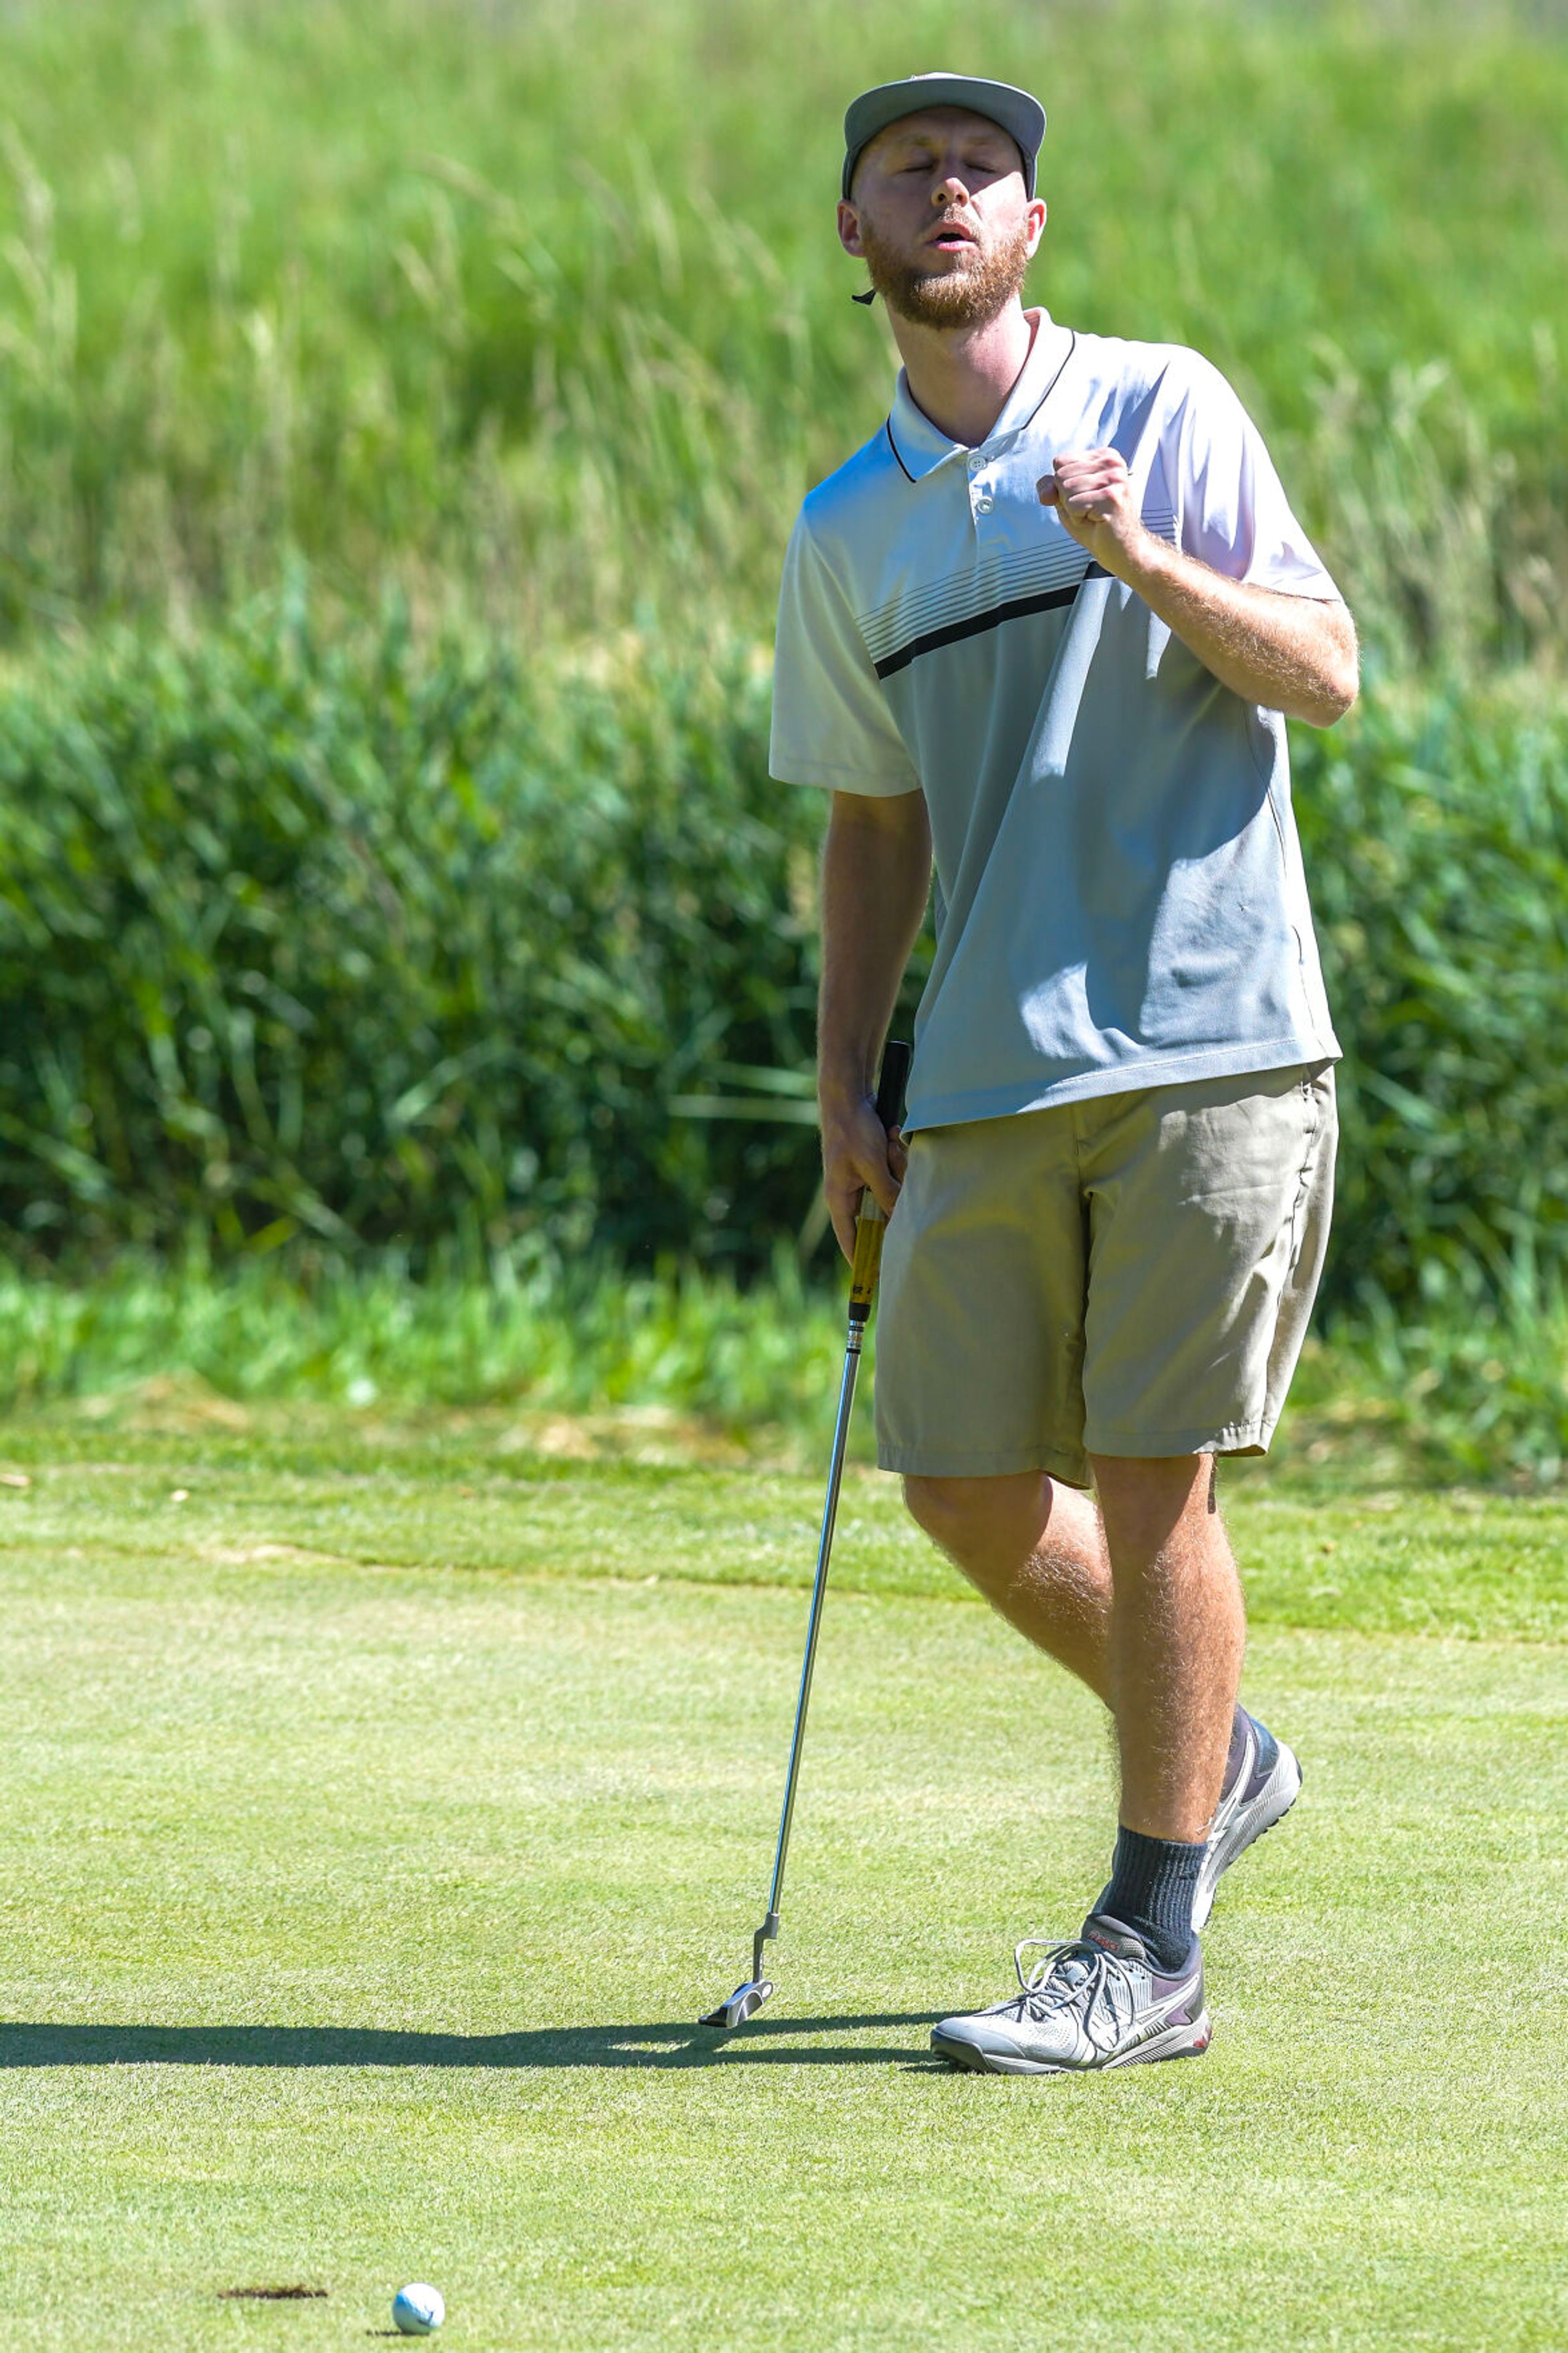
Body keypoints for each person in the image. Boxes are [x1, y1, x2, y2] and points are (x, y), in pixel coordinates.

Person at [768, 72, 1356, 2074]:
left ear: (1032, 228)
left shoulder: (1163, 408)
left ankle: (1150, 1941)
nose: (949, 194)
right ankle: (1224, 1759)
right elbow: (870, 824)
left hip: (1209, 1031)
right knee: (952, 1475)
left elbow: (1326, 670)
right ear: (855, 236)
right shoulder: (848, 530)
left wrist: (1141, 558)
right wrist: (846, 1084)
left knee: (1147, 1468)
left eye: (984, 171)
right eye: (908, 172)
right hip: (991, 1062)